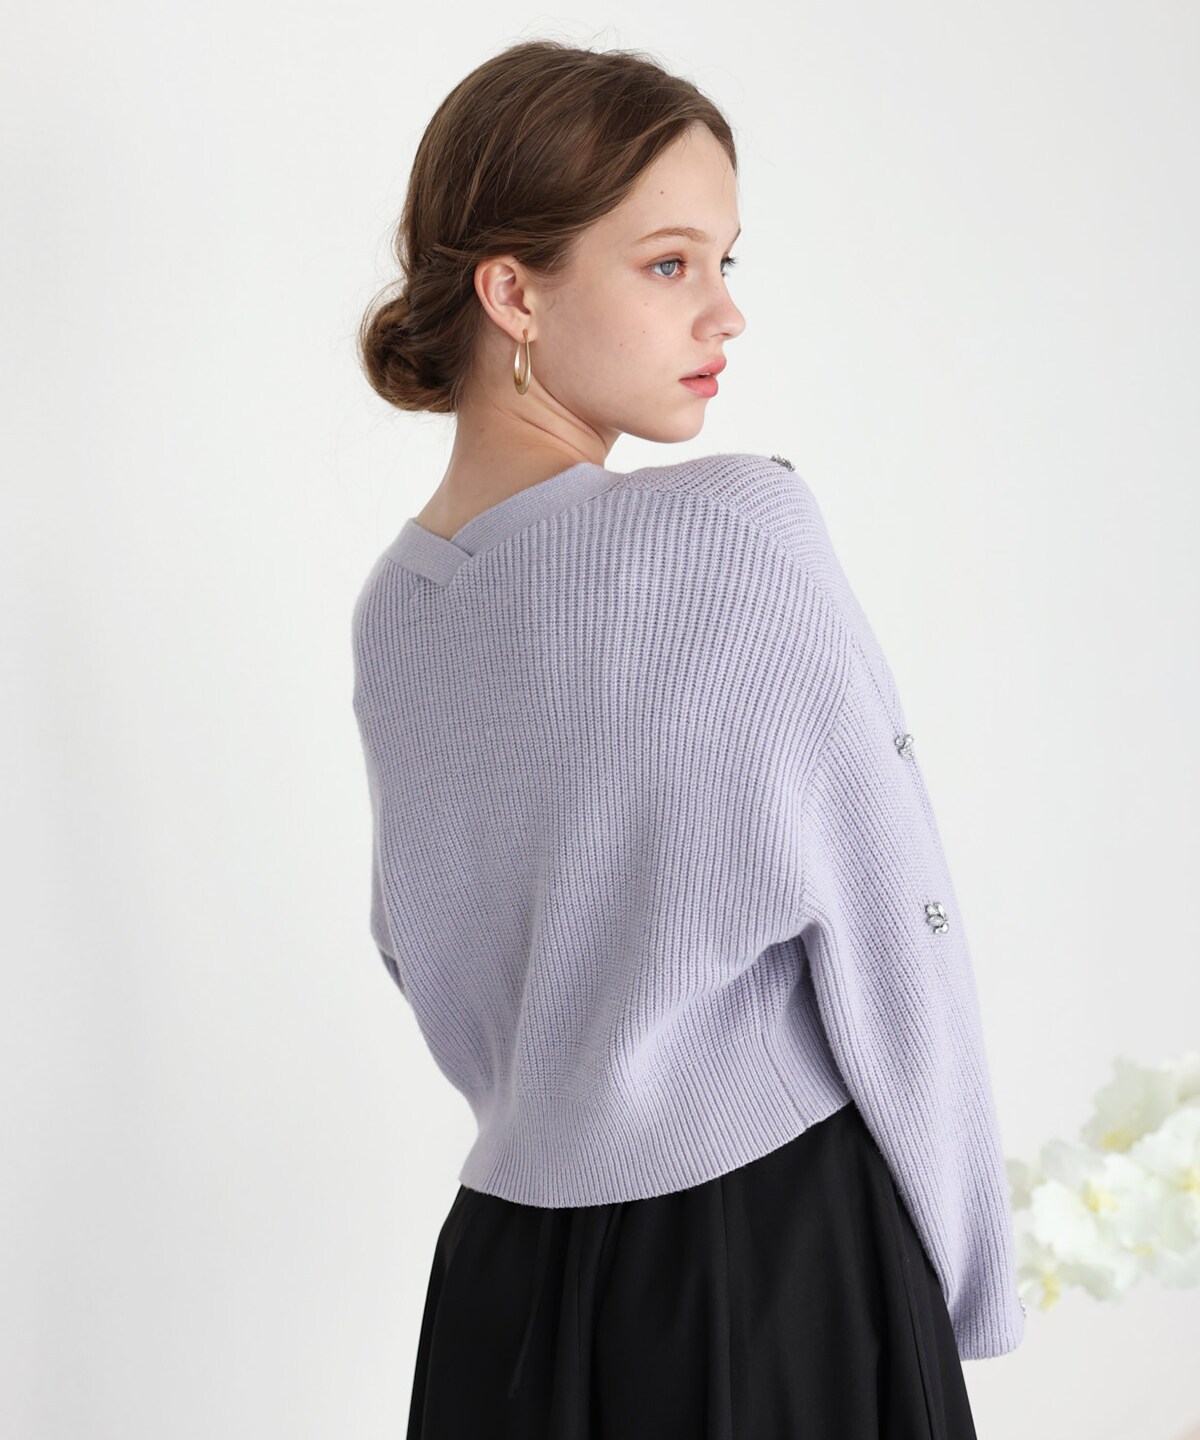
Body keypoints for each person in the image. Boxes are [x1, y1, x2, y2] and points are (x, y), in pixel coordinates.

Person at [351, 37, 1025, 1440]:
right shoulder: (735, 531)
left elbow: (427, 957)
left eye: (725, 262)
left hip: (503, 1278)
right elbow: (896, 925)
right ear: (513, 293)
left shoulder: (396, 609)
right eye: (670, 265)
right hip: (768, 1255)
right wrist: (964, 1277)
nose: (725, 314)